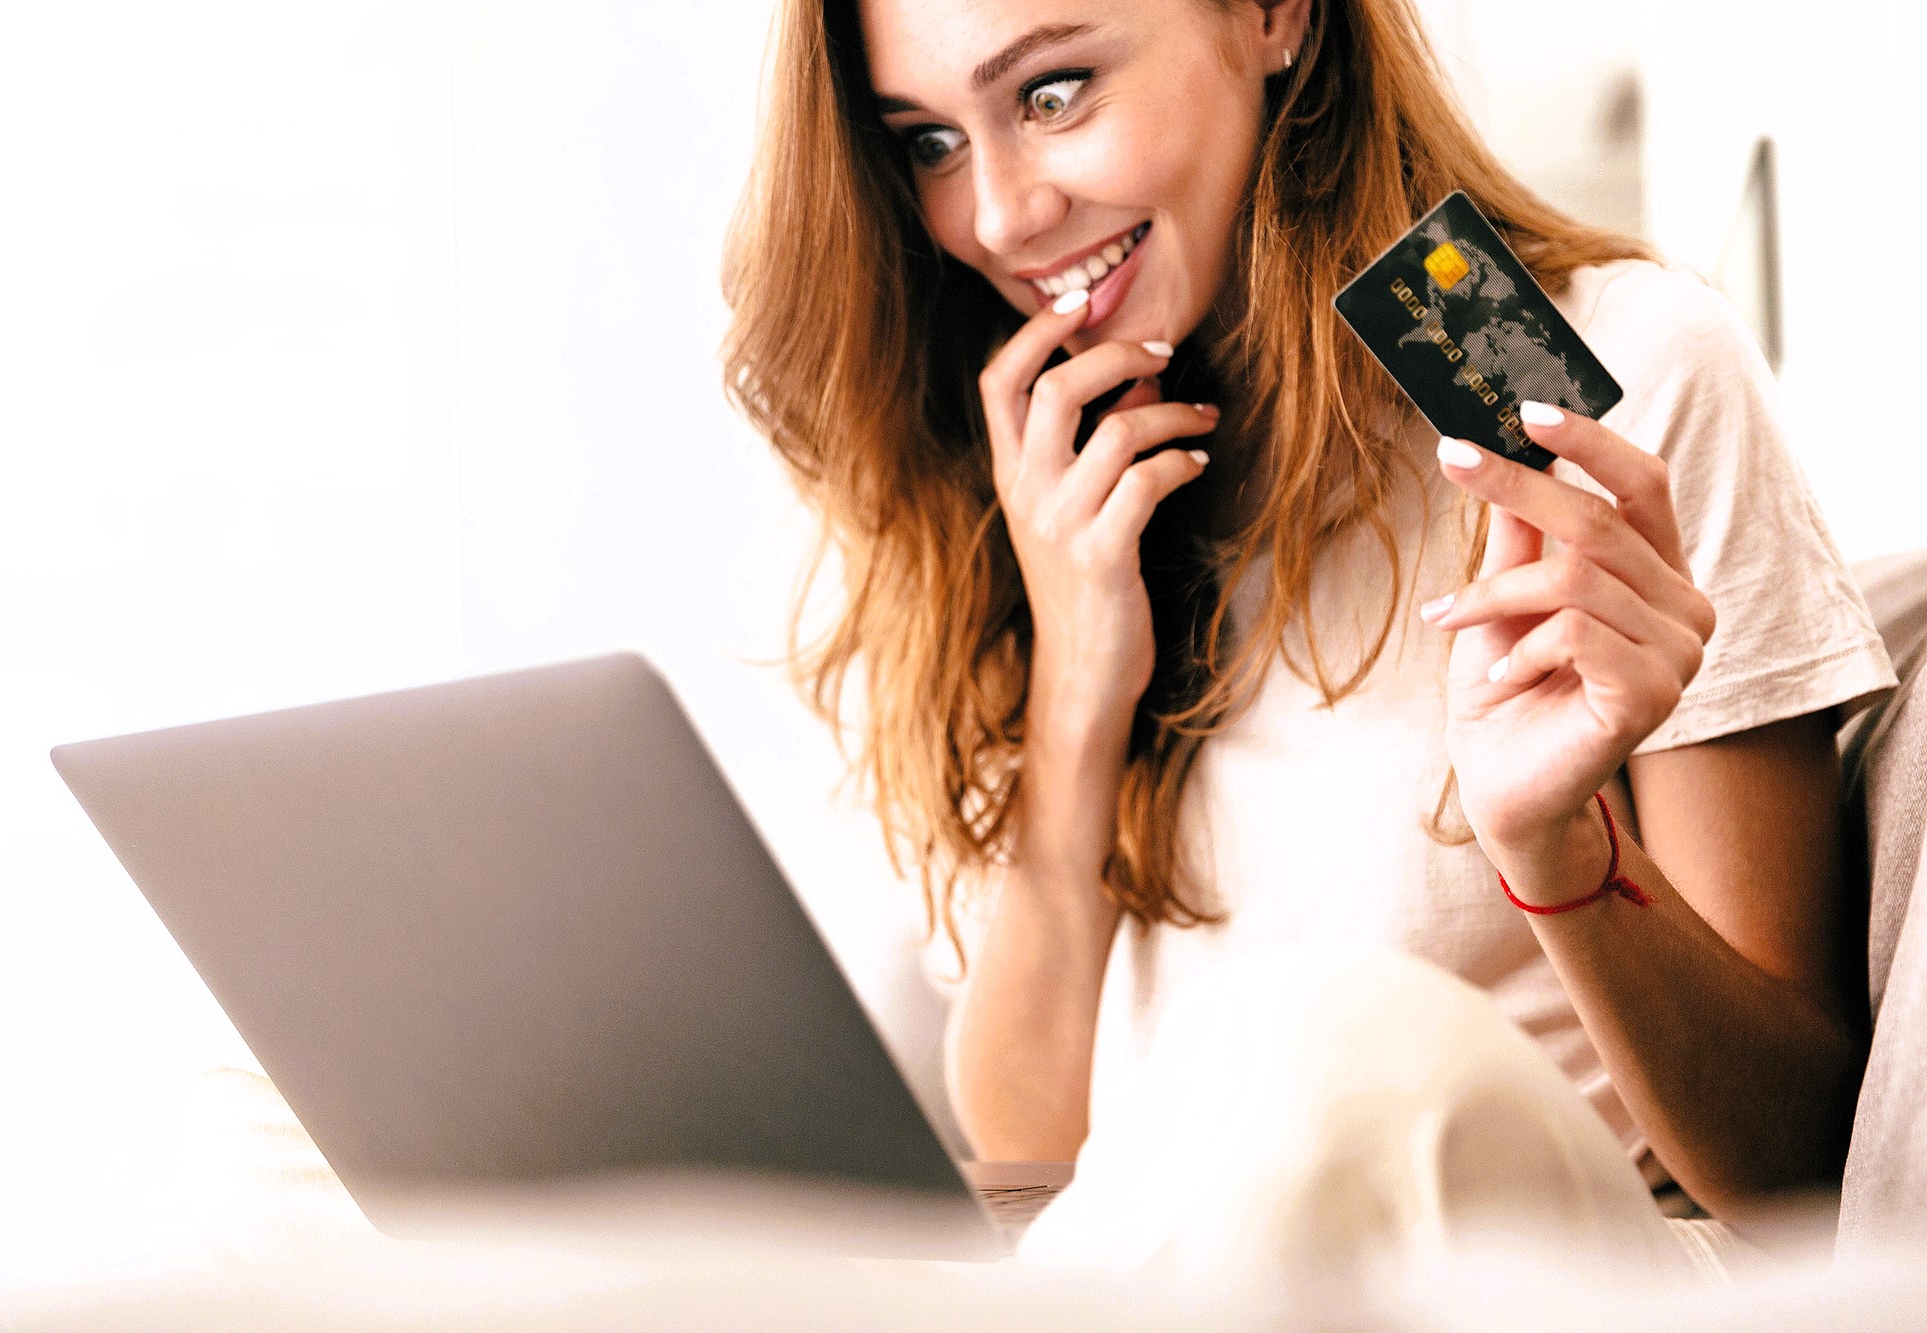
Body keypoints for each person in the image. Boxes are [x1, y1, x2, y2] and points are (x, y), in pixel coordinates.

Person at [716, 0, 1900, 1251]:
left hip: (1548, 1276)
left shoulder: (1595, 374)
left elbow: (1792, 1173)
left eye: (1053, 94)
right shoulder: (1043, 484)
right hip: (1164, 1285)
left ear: (1273, 15)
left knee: (1324, 1044)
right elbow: (1033, 1153)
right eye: (929, 143)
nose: (998, 218)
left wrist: (1551, 850)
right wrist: (1077, 691)